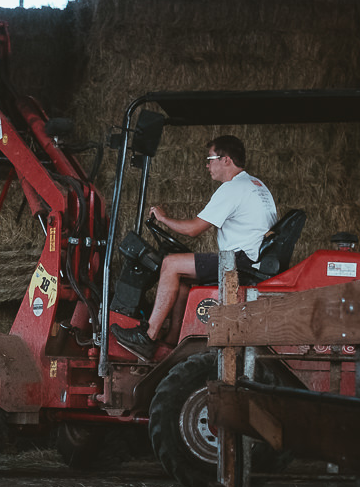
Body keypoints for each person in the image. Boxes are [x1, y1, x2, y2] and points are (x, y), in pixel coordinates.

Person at [110, 135, 277, 360]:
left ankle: (147, 337)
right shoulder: (255, 185)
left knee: (170, 264)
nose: (207, 165)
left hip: (241, 262)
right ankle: (172, 339)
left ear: (226, 160)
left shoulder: (233, 188)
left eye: (210, 159)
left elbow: (194, 229)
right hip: (251, 259)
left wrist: (163, 218)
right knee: (182, 279)